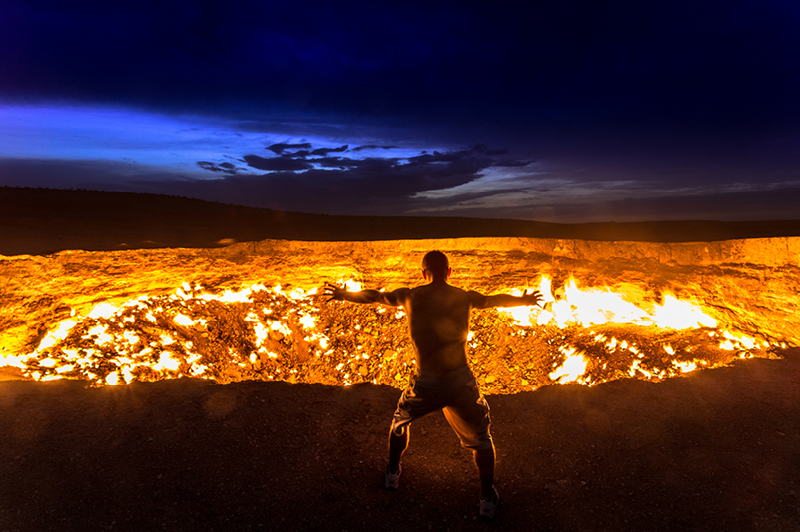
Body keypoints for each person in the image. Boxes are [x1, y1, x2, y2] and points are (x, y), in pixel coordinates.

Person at [324, 250, 542, 520]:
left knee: (399, 422)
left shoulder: (410, 296)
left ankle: (392, 474)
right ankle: (487, 499)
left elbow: (376, 296)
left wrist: (345, 295)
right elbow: (492, 301)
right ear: (449, 272)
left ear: (423, 273)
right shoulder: (463, 296)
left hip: (425, 381)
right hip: (460, 380)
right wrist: (525, 300)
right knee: (482, 441)